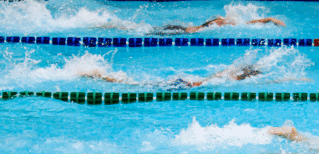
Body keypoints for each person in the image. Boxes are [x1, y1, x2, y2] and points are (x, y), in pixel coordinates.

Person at [81, 64, 261, 89]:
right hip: (183, 85)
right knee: (136, 85)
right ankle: (100, 76)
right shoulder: (228, 79)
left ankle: (101, 76)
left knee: (138, 84)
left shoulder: (226, 75)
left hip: (183, 83)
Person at [151, 16, 285, 35]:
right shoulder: (219, 22)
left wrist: (268, 19)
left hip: (182, 29)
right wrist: (268, 19)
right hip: (181, 31)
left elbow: (247, 23)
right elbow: (248, 23)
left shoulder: (221, 22)